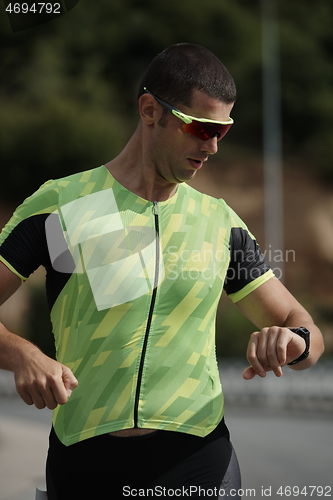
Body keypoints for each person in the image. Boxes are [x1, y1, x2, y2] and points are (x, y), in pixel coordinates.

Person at [0, 43, 324, 500]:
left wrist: (294, 342)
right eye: (200, 128)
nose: (211, 146)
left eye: (223, 132)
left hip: (197, 454)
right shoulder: (64, 205)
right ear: (151, 110)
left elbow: (304, 329)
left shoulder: (219, 221)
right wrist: (22, 356)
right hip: (85, 458)